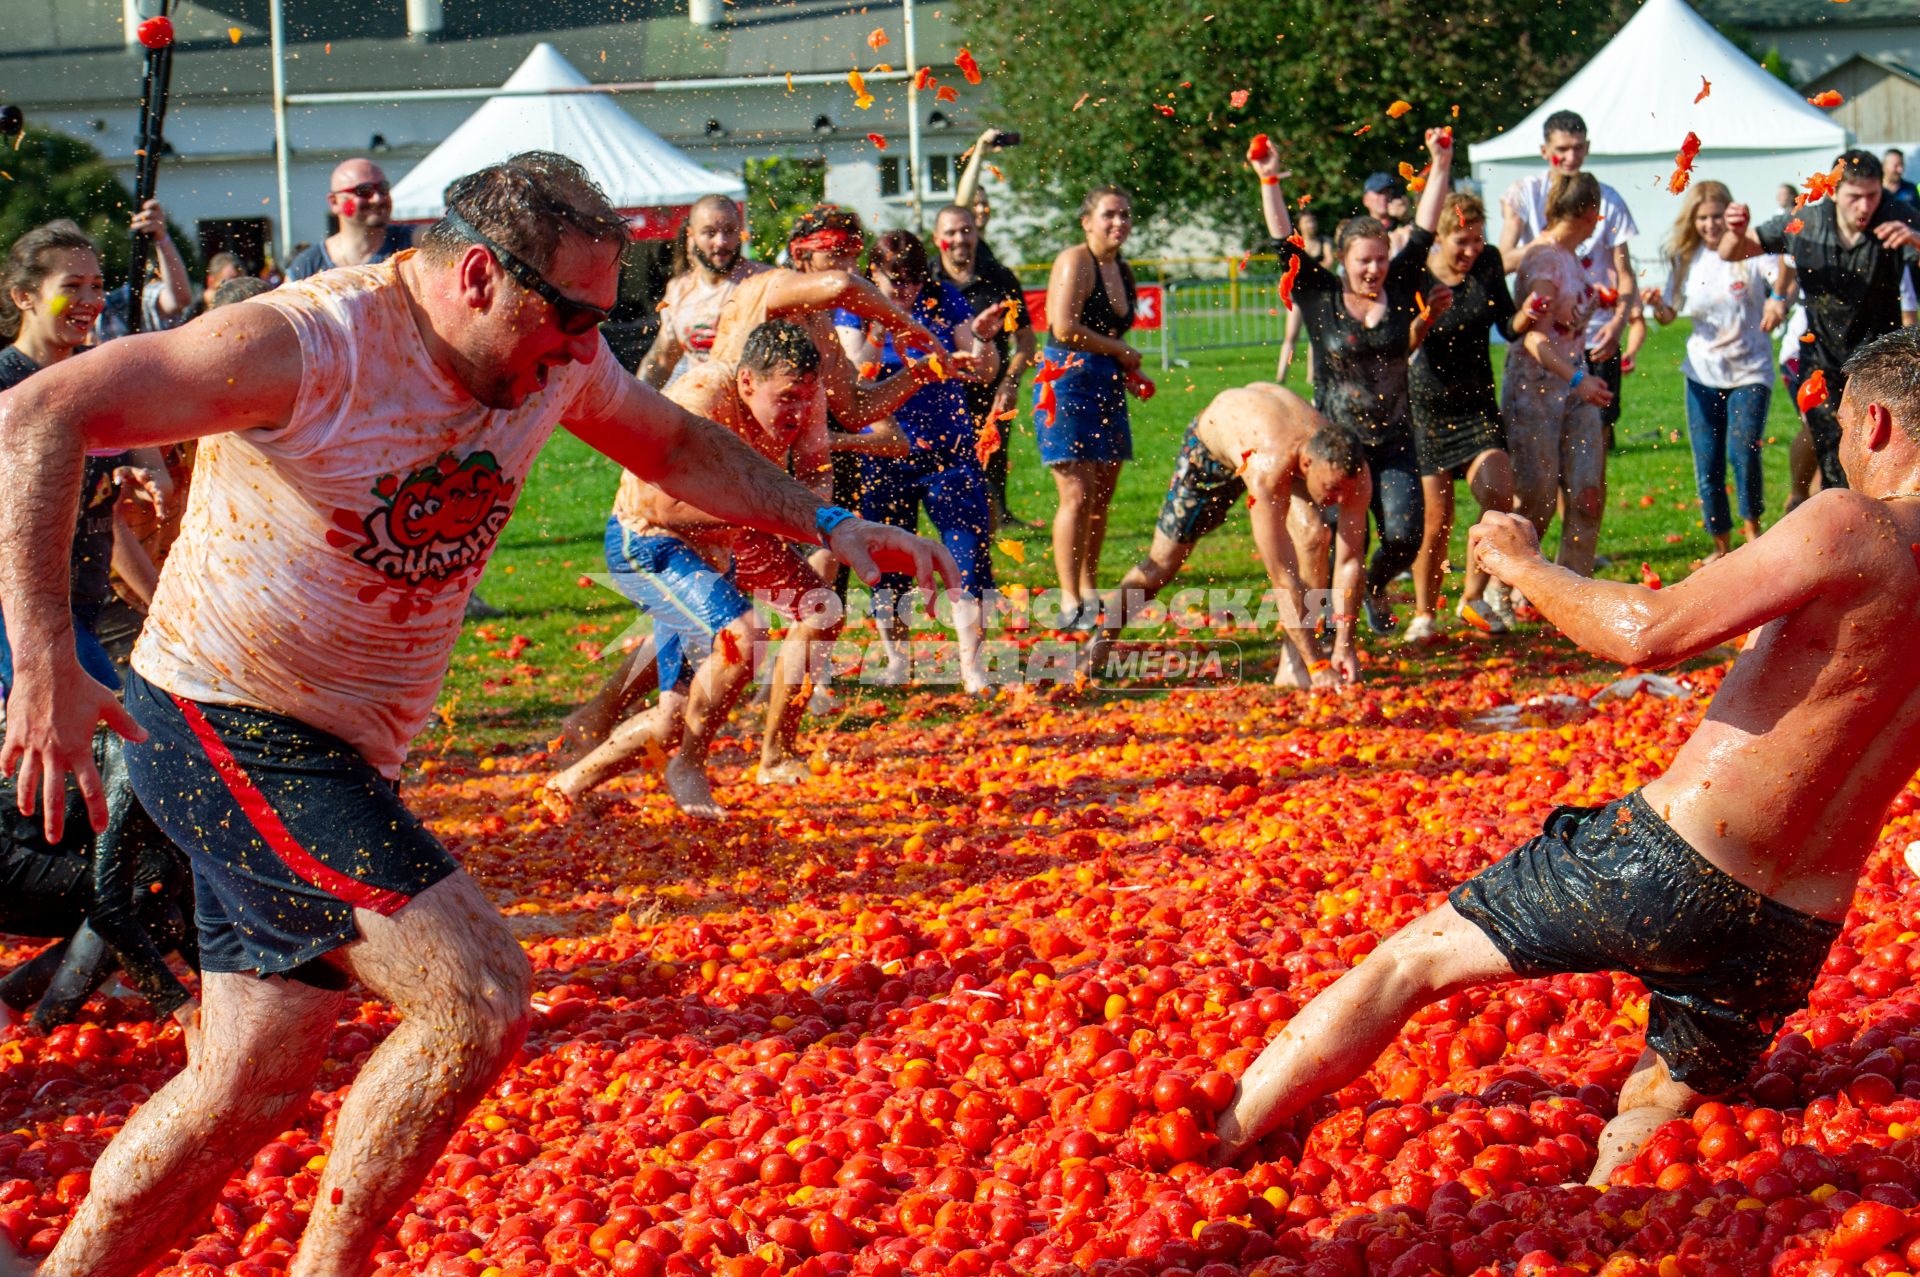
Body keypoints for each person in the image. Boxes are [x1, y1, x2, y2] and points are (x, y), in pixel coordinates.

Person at [0, 151, 953, 1277]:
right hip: (226, 717)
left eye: (606, 316)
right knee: (478, 994)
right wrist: (46, 653)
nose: (586, 345)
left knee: (246, 1084)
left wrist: (821, 522)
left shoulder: (557, 355)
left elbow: (675, 441)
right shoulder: (311, 341)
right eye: (569, 315)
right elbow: (38, 412)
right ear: (477, 280)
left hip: (343, 751)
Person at [1217, 325, 1920, 1187]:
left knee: (1409, 962)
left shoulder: (1853, 522)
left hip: (1676, 860)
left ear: (1878, 423)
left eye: (1844, 428)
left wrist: (1522, 564)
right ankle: (1606, 1222)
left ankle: (1220, 1136)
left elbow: (1649, 634)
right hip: (1796, 926)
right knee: (1660, 1102)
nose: (1841, 448)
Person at [555, 205, 933, 757]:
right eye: (840, 252)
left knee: (811, 607)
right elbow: (661, 363)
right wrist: (635, 429)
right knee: (707, 638)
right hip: (705, 485)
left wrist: (927, 370)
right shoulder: (766, 290)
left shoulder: (820, 330)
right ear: (804, 255)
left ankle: (771, 752)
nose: (852, 265)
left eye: (856, 252)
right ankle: (627, 740)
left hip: (763, 496)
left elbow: (849, 412)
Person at [544, 322, 855, 818]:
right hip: (651, 540)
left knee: (820, 610)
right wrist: (779, 515)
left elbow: (816, 469)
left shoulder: (806, 396)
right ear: (749, 383)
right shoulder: (703, 394)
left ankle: (773, 756)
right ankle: (683, 763)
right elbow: (660, 504)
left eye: (807, 398)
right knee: (740, 638)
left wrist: (824, 523)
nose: (798, 411)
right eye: (788, 398)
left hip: (731, 534)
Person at [1250, 142, 1447, 634]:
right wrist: (1269, 180)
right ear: (1342, 260)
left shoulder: (1400, 287)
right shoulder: (1320, 295)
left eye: (1381, 260)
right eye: (1363, 261)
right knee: (1333, 541)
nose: (1374, 270)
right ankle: (1328, 629)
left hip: (1397, 441)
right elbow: (1284, 245)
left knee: (1404, 538)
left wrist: (1441, 163)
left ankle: (1375, 588)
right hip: (1337, 445)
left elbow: (1423, 231)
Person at [1087, 383, 1371, 688]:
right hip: (1211, 455)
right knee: (1162, 563)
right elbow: (1282, 577)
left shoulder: (1350, 468)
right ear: (1307, 465)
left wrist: (1345, 646)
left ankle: (1294, 665)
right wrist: (1321, 666)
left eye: (1345, 491)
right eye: (1331, 490)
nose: (1340, 500)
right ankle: (1097, 646)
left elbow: (1350, 561)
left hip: (1275, 438)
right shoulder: (1266, 470)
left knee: (1315, 536)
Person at [0, 220, 165, 696]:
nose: (90, 300)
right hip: (23, 612)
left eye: (96, 285)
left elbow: (103, 516)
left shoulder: (95, 379)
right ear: (23, 297)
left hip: (80, 608)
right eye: (70, 286)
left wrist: (159, 602)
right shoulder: (7, 384)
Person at [838, 231, 1005, 691]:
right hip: (885, 451)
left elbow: (980, 369)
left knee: (968, 555)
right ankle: (897, 659)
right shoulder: (854, 304)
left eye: (914, 279)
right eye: (897, 281)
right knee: (887, 563)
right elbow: (853, 374)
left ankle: (972, 668)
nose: (907, 290)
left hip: (947, 450)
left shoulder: (943, 299)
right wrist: (879, 324)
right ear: (873, 273)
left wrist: (985, 343)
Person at [1385, 130, 1531, 639]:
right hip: (1427, 406)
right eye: (1461, 241)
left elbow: (1507, 324)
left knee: (1497, 496)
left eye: (1477, 239)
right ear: (1442, 237)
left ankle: (1471, 598)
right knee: (1436, 523)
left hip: (1477, 405)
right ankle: (1424, 614)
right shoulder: (1417, 275)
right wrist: (1424, 322)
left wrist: (1529, 317)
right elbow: (1397, 345)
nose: (1471, 250)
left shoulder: (1489, 263)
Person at [1720, 150, 1920, 489]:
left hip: (1880, 359)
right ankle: (1832, 512)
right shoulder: (1806, 221)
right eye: (1855, 197)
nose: (1865, 206)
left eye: (1872, 195)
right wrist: (1735, 232)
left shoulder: (1896, 212)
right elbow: (1731, 251)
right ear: (1832, 192)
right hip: (1822, 355)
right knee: (1830, 442)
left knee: (1882, 446)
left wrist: (1916, 239)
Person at [0, 730, 197, 1039]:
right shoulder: (141, 757)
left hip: (38, 843)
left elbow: (187, 884)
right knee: (148, 888)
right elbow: (109, 904)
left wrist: (224, 992)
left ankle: (16, 999)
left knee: (164, 902)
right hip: (8, 858)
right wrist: (182, 1008)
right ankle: (43, 1026)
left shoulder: (177, 761)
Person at [1643, 179, 1787, 560]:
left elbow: (1784, 272)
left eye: (1716, 217)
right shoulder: (1686, 257)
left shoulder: (1751, 250)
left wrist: (1777, 300)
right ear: (1692, 220)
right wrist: (1658, 304)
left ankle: (1753, 535)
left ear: (1729, 215)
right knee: (1707, 462)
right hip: (1702, 371)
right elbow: (1671, 313)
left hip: (1750, 369)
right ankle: (1721, 546)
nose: (1709, 225)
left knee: (1743, 453)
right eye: (1702, 218)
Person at [1499, 110, 1640, 451]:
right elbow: (1501, 260)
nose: (1571, 157)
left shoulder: (1608, 198)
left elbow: (1625, 272)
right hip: (1545, 335)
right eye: (1563, 149)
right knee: (1542, 449)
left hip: (1596, 330)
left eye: (1578, 148)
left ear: (1588, 147)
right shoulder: (1524, 193)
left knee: (1598, 435)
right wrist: (1551, 242)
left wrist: (1620, 322)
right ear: (1545, 151)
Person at [1037, 185, 1146, 628]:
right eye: (1109, 215)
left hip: (1106, 385)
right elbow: (1062, 326)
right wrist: (1120, 350)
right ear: (1087, 221)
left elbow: (1106, 337)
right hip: (1066, 384)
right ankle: (1067, 599)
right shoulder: (1075, 260)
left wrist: (1127, 369)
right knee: (1076, 495)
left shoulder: (1123, 268)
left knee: (1101, 497)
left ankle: (1089, 590)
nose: (1118, 223)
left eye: (1124, 215)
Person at [1503, 171, 1618, 582]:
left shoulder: (1569, 257)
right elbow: (1534, 340)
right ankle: (1510, 583)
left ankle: (1575, 587)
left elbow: (1562, 327)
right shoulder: (1546, 259)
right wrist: (1578, 380)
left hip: (1574, 387)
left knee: (1588, 495)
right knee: (1536, 502)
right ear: (1591, 213)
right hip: (1535, 388)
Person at [930, 203, 1039, 530]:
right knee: (946, 476)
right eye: (951, 232)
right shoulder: (927, 281)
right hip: (942, 397)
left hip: (992, 395)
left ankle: (988, 541)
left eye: (966, 230)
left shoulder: (1000, 278)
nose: (960, 238)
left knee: (990, 469)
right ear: (937, 239)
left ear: (977, 233)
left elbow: (1027, 341)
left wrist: (1011, 383)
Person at [635, 194, 767, 389]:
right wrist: (638, 400)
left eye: (730, 231)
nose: (721, 242)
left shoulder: (763, 281)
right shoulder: (679, 290)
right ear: (692, 236)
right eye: (710, 232)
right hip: (702, 407)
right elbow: (662, 360)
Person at [284, 158, 412, 281]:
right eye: (364, 191)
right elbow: (278, 302)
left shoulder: (413, 242)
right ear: (334, 202)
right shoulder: (308, 264)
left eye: (383, 188)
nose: (377, 198)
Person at [92, 199, 194, 341]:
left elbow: (179, 299)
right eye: (71, 285)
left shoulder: (117, 307)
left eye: (95, 285)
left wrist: (162, 238)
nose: (86, 298)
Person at [1277, 210, 1337, 386]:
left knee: (1315, 337)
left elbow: (1329, 262)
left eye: (1313, 221)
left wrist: (1306, 270)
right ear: (1300, 225)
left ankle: (1312, 376)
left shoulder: (1324, 242)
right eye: (1307, 222)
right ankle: (1281, 376)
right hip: (1299, 294)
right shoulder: (1296, 243)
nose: (1311, 225)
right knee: (1290, 336)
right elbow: (1290, 268)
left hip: (1319, 294)